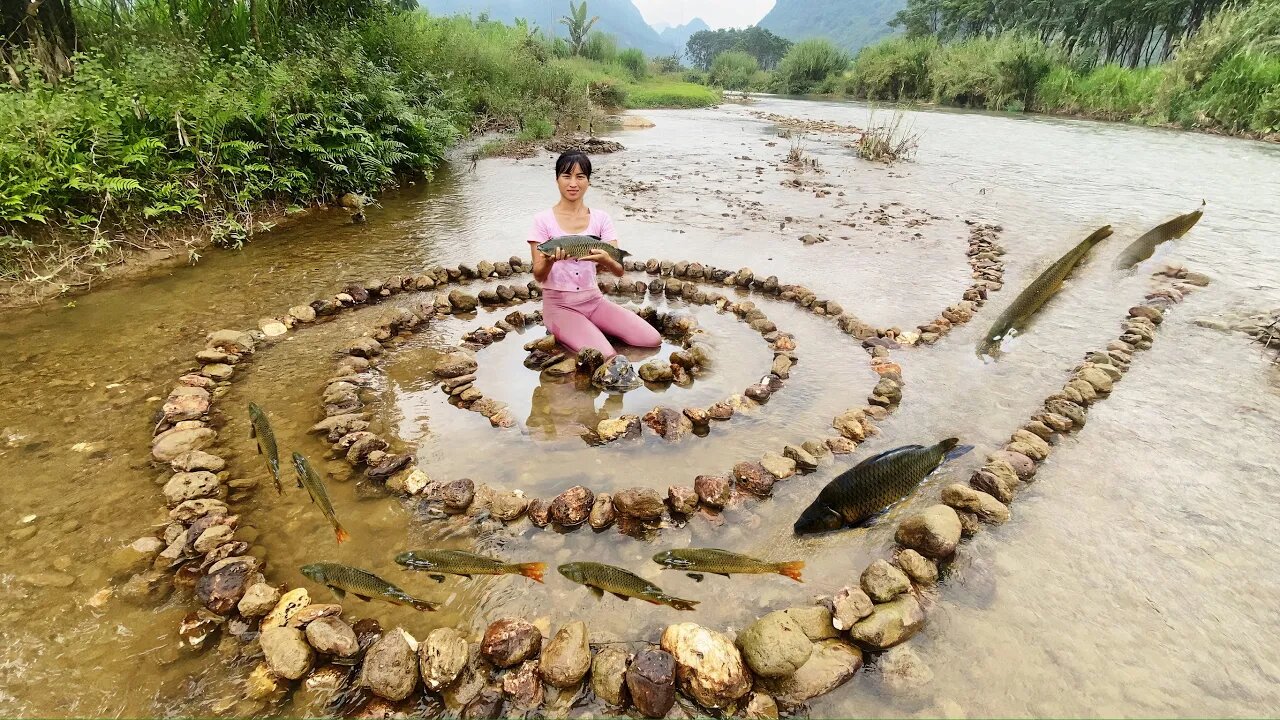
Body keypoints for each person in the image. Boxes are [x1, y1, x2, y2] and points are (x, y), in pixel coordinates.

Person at [528, 151, 662, 359]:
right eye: (566, 176)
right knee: (605, 355)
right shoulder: (542, 220)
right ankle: (567, 336)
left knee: (651, 340)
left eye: (580, 177)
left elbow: (618, 271)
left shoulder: (601, 219)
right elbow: (538, 275)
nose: (573, 183)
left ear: (588, 182)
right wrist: (549, 261)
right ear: (557, 180)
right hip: (559, 305)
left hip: (594, 300)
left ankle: (587, 330)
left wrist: (605, 259)